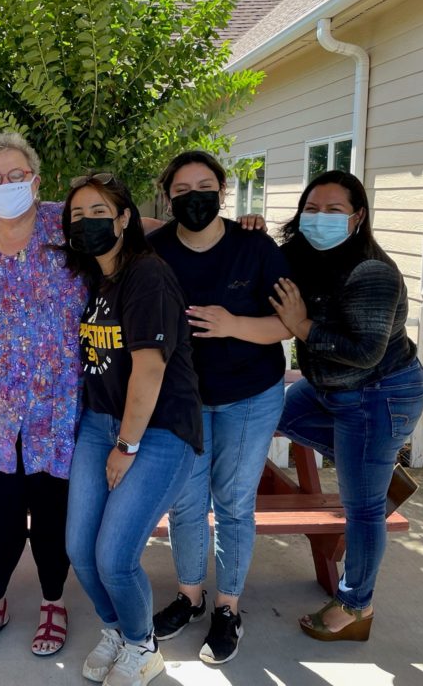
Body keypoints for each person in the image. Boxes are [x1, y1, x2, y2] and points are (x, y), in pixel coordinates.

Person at [269, 170, 423, 643]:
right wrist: (250, 228)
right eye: (311, 209)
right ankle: (377, 466)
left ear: (357, 217)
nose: (320, 219)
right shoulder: (303, 255)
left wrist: (301, 325)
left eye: (334, 210)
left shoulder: (372, 272)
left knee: (361, 507)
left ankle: (356, 605)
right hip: (329, 388)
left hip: (379, 393)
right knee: (272, 417)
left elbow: (365, 352)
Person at [147, 151, 290, 665]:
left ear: (223, 190)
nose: (193, 197)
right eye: (181, 190)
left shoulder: (254, 246)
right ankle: (190, 596)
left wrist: (233, 325)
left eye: (203, 186)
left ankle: (227, 608)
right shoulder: (154, 249)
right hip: (181, 399)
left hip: (249, 396)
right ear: (167, 196)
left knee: (232, 503)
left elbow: (289, 322)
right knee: (184, 502)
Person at [63, 173, 202, 686]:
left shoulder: (147, 275)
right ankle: (118, 631)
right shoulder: (96, 278)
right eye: (77, 216)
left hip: (158, 431)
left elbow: (149, 369)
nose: (87, 224)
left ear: (124, 219)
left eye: (99, 213)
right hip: (99, 425)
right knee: (79, 548)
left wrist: (126, 445)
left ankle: (144, 646)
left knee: (115, 556)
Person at [0, 132, 88, 657]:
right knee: (2, 509)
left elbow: (133, 232)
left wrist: (228, 229)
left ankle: (54, 603)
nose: (5, 185)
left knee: (52, 509)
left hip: (58, 401)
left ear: (35, 179)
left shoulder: (66, 225)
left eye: (15, 175)